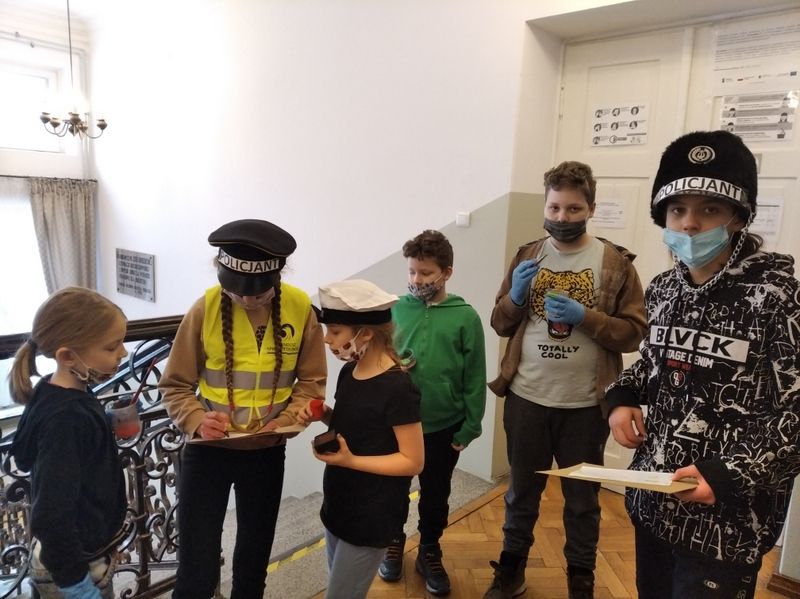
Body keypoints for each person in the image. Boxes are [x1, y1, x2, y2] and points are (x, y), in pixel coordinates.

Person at [606, 130, 800, 599]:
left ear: (739, 217)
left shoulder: (778, 299)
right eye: (678, 209)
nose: (690, 224)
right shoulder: (663, 289)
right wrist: (623, 396)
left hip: (726, 526)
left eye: (709, 209)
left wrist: (728, 473)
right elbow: (652, 362)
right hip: (655, 502)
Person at [484, 161, 647, 599]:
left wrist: (586, 317)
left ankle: (581, 577)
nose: (562, 217)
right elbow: (500, 323)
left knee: (582, 501)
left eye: (574, 209)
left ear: (591, 208)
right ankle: (511, 570)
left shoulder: (615, 263)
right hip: (526, 399)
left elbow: (634, 333)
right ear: (545, 206)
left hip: (586, 407)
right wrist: (516, 297)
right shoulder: (527, 255)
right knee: (521, 494)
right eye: (554, 207)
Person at [159, 219, 326, 599]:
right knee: (196, 568)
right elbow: (174, 385)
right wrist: (197, 419)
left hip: (266, 452)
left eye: (258, 292)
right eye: (237, 291)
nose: (248, 300)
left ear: (278, 276)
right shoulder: (205, 308)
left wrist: (288, 419)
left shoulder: (300, 308)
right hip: (207, 452)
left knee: (253, 561)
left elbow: (312, 382)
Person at [377, 230, 486, 595]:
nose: (416, 279)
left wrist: (470, 426)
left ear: (446, 272)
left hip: (444, 425)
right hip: (397, 424)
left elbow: (475, 375)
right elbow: (378, 359)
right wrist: (394, 364)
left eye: (425, 273)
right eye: (411, 271)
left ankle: (429, 549)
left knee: (436, 493)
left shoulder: (465, 317)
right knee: (393, 490)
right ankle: (393, 541)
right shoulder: (393, 310)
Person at [9, 287, 128, 599]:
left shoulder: (54, 391)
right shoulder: (66, 419)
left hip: (83, 554)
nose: (124, 353)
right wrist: (76, 584)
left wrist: (104, 424)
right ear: (67, 356)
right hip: (72, 569)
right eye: (112, 347)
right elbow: (51, 516)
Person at [310, 279, 424, 599]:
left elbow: (412, 461)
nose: (327, 339)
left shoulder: (398, 388)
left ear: (366, 334)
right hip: (339, 504)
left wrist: (351, 461)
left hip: (371, 515)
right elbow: (359, 427)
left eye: (335, 331)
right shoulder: (350, 372)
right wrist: (326, 415)